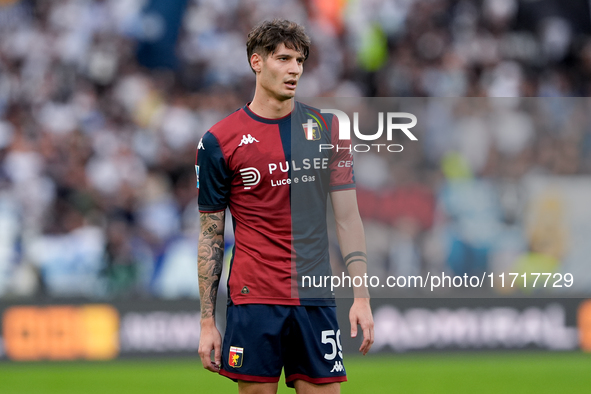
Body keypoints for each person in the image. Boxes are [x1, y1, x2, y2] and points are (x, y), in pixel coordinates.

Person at [196, 19, 373, 394]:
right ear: (256, 62)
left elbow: (348, 217)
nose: (295, 69)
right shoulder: (218, 141)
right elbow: (211, 234)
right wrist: (207, 322)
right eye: (283, 59)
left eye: (300, 60)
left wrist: (361, 296)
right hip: (254, 298)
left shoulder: (328, 130)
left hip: (314, 296)